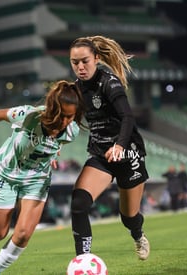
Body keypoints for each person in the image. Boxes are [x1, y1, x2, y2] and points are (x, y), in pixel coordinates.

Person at [0, 80, 85, 274]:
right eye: (62, 115)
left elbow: (59, 142)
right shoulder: (30, 115)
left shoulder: (72, 131)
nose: (65, 121)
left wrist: (54, 153)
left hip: (36, 180)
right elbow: (1, 114)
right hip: (6, 174)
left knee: (22, 234)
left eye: (70, 116)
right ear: (53, 108)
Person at [68, 35, 150, 260]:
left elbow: (127, 116)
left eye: (85, 61)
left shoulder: (109, 82)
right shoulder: (76, 89)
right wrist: (55, 145)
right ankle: (83, 261)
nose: (80, 67)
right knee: (78, 203)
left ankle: (138, 234)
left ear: (96, 58)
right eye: (75, 63)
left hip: (128, 153)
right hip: (100, 155)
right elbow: (68, 120)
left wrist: (119, 146)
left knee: (129, 217)